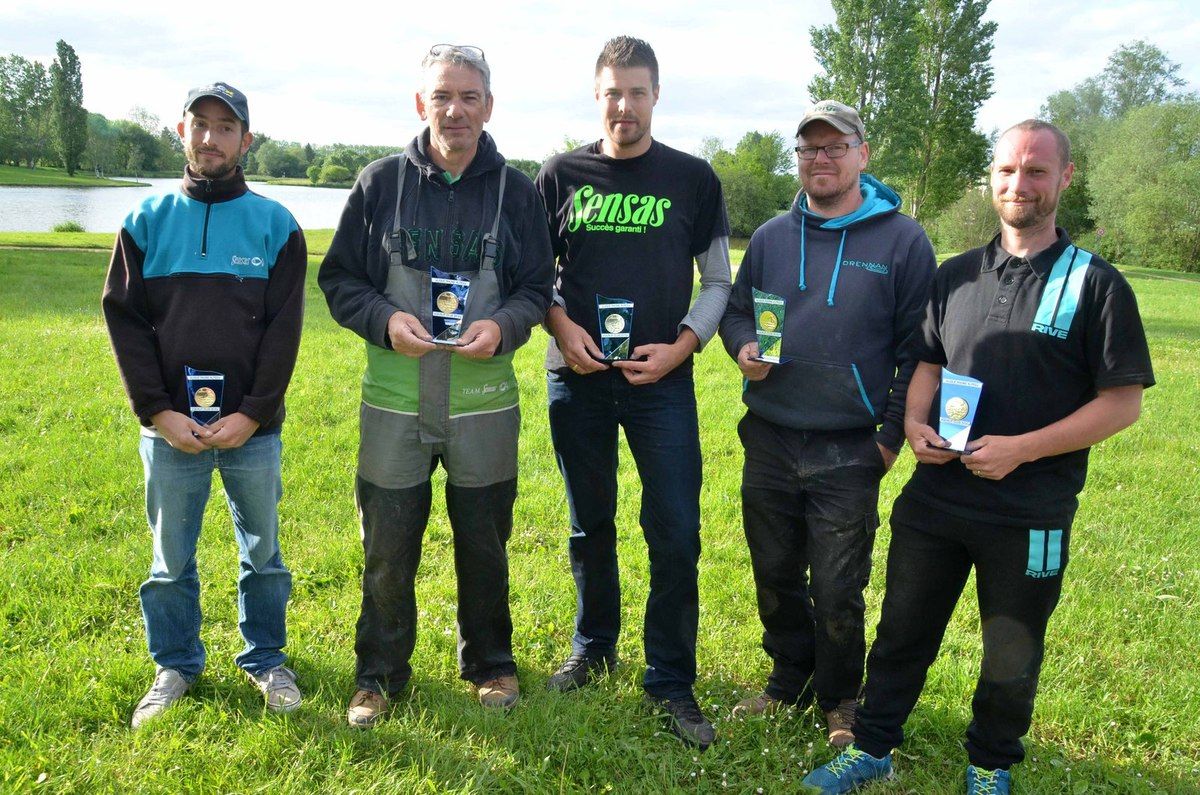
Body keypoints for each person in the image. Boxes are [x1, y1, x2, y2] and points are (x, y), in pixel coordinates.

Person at [803, 120, 1154, 794]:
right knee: (901, 629)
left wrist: (1022, 449)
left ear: (1064, 178)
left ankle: (990, 763)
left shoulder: (1097, 284)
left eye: (1036, 171)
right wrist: (914, 423)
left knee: (1010, 647)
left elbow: (1122, 403)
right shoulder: (956, 273)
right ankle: (873, 746)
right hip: (936, 497)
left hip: (1031, 509)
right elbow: (927, 362)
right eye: (1007, 170)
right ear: (991, 178)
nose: (1019, 184)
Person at [318, 44, 552, 727]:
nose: (455, 110)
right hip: (394, 403)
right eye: (442, 96)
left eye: (469, 97)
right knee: (387, 548)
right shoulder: (379, 184)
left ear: (489, 106)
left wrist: (504, 325)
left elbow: (537, 288)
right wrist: (384, 319)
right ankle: (379, 674)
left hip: (483, 405)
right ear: (421, 104)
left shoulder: (517, 193)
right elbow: (340, 280)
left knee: (485, 542)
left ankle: (490, 663)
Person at [717, 100, 936, 748]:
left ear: (862, 155)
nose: (821, 158)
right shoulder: (770, 237)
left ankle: (841, 696)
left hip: (850, 445)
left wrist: (889, 440)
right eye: (809, 147)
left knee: (839, 586)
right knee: (775, 573)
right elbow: (736, 311)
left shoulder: (903, 240)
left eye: (835, 146)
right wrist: (742, 347)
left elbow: (920, 349)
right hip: (770, 433)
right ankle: (789, 677)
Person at [535, 35, 731, 750]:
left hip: (661, 385)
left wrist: (682, 346)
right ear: (598, 95)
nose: (625, 105)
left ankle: (671, 677)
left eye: (637, 92)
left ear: (656, 95)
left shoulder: (693, 178)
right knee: (589, 523)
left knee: (675, 528)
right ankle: (593, 648)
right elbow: (534, 276)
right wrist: (561, 329)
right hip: (578, 379)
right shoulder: (559, 174)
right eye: (613, 92)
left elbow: (718, 280)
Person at [102, 82, 307, 728]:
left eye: (226, 127)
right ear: (181, 132)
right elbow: (126, 324)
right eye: (200, 124)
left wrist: (254, 412)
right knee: (170, 562)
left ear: (246, 141)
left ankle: (267, 660)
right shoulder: (145, 221)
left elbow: (284, 330)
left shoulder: (277, 226)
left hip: (253, 430)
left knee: (264, 553)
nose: (211, 138)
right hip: (171, 430)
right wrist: (158, 412)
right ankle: (175, 665)